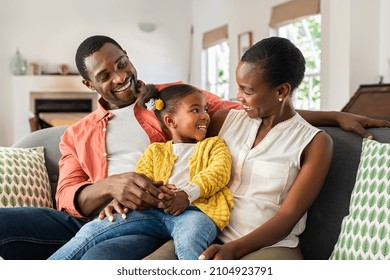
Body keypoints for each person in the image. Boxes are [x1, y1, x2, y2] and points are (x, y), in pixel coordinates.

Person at [0, 35, 389, 260]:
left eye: (123, 63)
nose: (121, 76)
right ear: (90, 85)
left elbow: (260, 107)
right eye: (105, 74)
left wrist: (337, 115)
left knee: (102, 260)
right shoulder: (76, 134)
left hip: (159, 218)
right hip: (91, 217)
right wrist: (110, 187)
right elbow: (68, 194)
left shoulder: (175, 101)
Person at [48, 83, 234, 260]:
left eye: (206, 110)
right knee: (90, 231)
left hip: (197, 212)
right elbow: (140, 180)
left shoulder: (214, 145)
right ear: (170, 120)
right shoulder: (155, 151)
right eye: (196, 110)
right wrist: (119, 201)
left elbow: (218, 173)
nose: (205, 116)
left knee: (190, 241)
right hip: (151, 213)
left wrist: (186, 195)